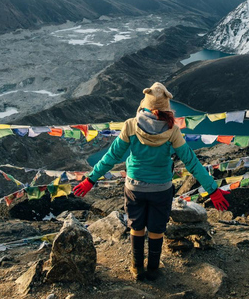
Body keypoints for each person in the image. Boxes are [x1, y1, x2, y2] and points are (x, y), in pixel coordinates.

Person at [73, 82, 229, 281]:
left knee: (136, 227)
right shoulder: (172, 130)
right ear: (166, 107)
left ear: (144, 104)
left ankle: (137, 267)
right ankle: (154, 268)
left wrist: (90, 179)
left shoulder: (130, 125)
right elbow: (191, 161)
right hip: (161, 189)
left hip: (134, 187)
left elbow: (111, 157)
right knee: (156, 229)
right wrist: (212, 189)